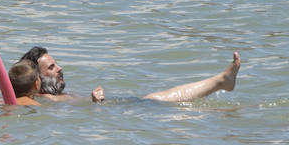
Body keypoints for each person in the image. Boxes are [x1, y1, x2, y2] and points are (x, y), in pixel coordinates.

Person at [20, 45, 241, 103]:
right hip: (113, 111)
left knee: (159, 99)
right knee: (157, 99)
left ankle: (221, 82)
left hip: (112, 107)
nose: (59, 69)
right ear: (36, 80)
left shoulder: (52, 97)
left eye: (56, 64)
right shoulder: (44, 99)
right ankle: (221, 81)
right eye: (51, 67)